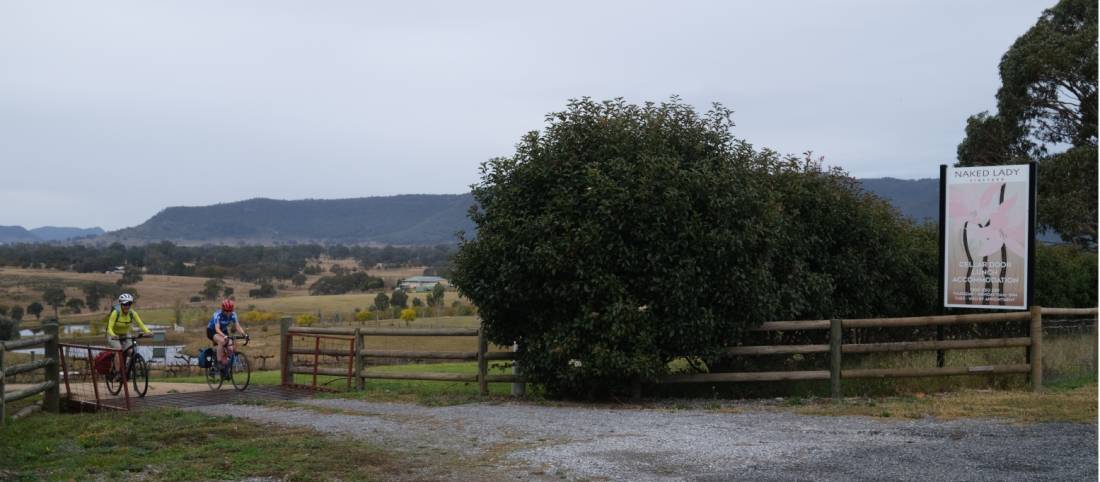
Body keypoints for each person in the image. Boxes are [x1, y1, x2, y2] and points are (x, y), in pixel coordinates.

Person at [106, 293, 151, 375]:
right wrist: (113, 335)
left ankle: (125, 368)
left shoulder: (132, 313)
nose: (127, 306)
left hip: (125, 334)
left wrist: (147, 332)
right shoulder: (116, 313)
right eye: (125, 304)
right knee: (118, 349)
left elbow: (141, 324)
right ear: (121, 304)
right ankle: (117, 372)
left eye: (129, 304)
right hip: (113, 334)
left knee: (130, 351)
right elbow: (109, 327)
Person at [207, 299, 248, 376]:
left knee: (230, 348)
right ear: (223, 309)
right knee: (222, 341)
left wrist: (244, 334)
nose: (228, 313)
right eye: (226, 311)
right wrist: (224, 336)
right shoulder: (217, 314)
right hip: (212, 330)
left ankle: (225, 367)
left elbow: (237, 326)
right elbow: (217, 329)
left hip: (223, 330)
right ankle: (219, 363)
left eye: (230, 311)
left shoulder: (233, 314)